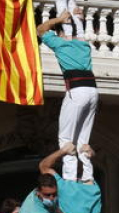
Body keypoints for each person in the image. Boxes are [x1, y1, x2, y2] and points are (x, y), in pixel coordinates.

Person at [38, 10, 98, 181]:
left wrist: (60, 18)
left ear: (60, 33)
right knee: (83, 140)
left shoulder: (61, 44)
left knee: (66, 139)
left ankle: (70, 178)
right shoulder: (84, 45)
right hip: (93, 91)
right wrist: (75, 18)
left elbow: (40, 29)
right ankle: (87, 177)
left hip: (77, 91)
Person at [40, 143, 106, 213]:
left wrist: (62, 151)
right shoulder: (94, 186)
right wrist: (90, 155)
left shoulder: (62, 185)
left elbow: (43, 166)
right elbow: (88, 172)